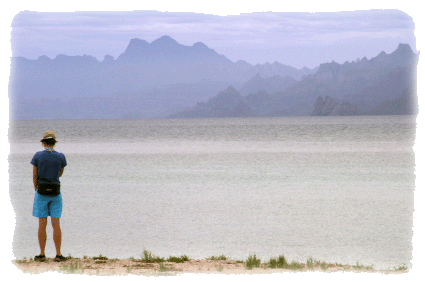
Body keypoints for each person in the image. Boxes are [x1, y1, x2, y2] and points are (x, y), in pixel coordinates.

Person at [31, 131, 67, 262]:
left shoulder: (38, 156)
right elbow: (60, 173)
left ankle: (42, 254)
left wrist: (37, 189)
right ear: (54, 143)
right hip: (55, 192)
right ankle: (58, 254)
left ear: (43, 143)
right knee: (56, 224)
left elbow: (34, 175)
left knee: (42, 225)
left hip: (41, 192)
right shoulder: (61, 156)